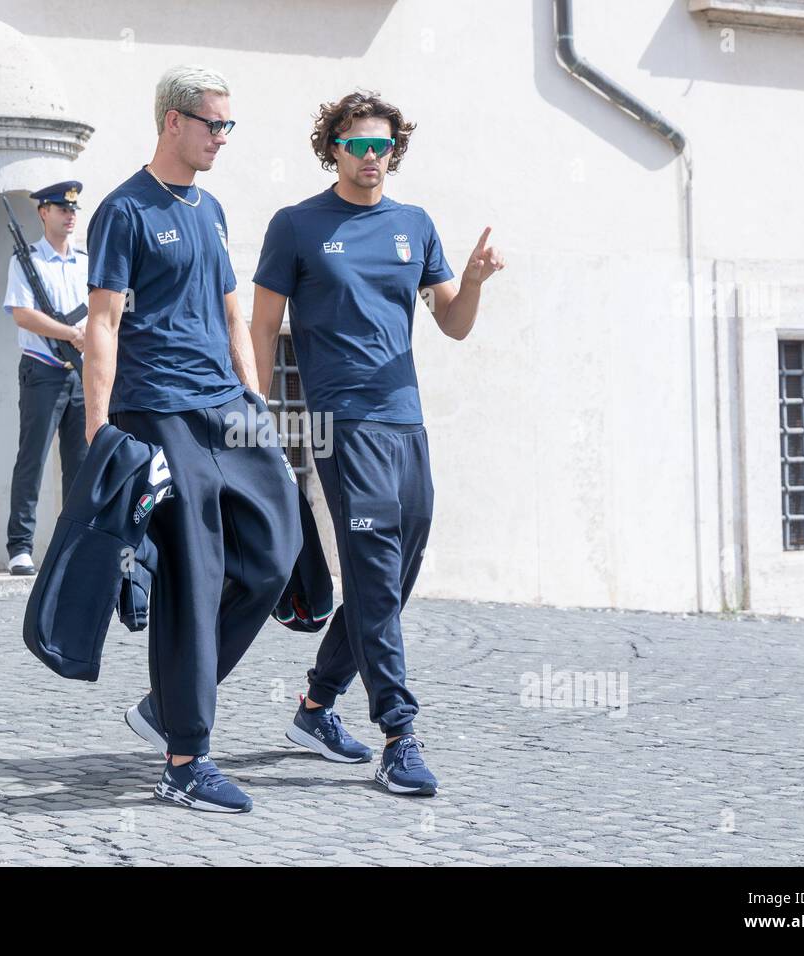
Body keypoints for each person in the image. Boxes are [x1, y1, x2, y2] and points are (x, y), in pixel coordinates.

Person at [251, 90, 505, 796]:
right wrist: (261, 418)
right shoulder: (297, 226)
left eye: (382, 145)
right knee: (372, 567)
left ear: (396, 149)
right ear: (332, 147)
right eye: (357, 144)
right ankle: (400, 733)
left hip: (406, 422)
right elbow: (265, 328)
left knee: (389, 578)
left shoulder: (415, 225)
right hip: (340, 425)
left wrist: (476, 281)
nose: (371, 156)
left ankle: (313, 708)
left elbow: (452, 323)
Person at [84, 66, 302, 813]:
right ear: (172, 122)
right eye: (213, 124)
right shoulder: (123, 211)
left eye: (229, 126)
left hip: (227, 409)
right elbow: (103, 325)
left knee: (278, 553)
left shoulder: (210, 211)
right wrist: (99, 436)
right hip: (160, 412)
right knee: (196, 574)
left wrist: (256, 400)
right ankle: (186, 759)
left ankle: (166, 704)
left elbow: (234, 314)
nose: (222, 138)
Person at [2, 181, 90, 576]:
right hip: (43, 371)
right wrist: (71, 334)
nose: (69, 215)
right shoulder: (26, 261)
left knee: (81, 463)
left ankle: (72, 545)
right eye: (60, 208)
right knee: (32, 459)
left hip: (82, 374)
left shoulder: (86, 261)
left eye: (73, 209)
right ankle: (20, 546)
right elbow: (22, 313)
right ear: (43, 213)